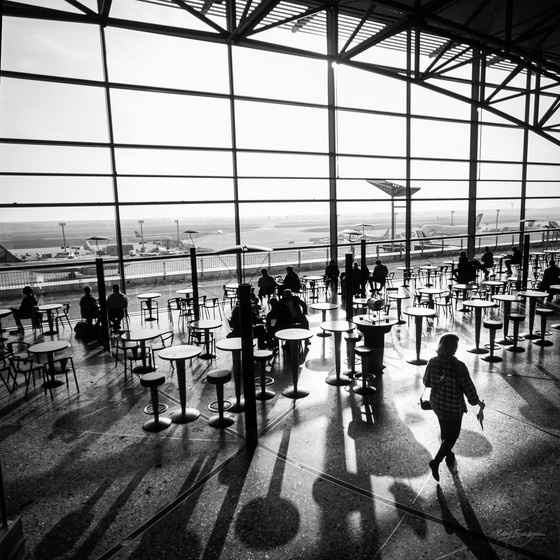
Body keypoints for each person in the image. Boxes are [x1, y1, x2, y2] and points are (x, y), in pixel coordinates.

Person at [423, 334, 485, 481]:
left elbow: (427, 382)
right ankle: (435, 462)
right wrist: (478, 403)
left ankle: (448, 454)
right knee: (453, 435)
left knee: (445, 431)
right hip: (453, 407)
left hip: (437, 404)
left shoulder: (432, 362)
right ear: (454, 348)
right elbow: (469, 391)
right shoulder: (459, 367)